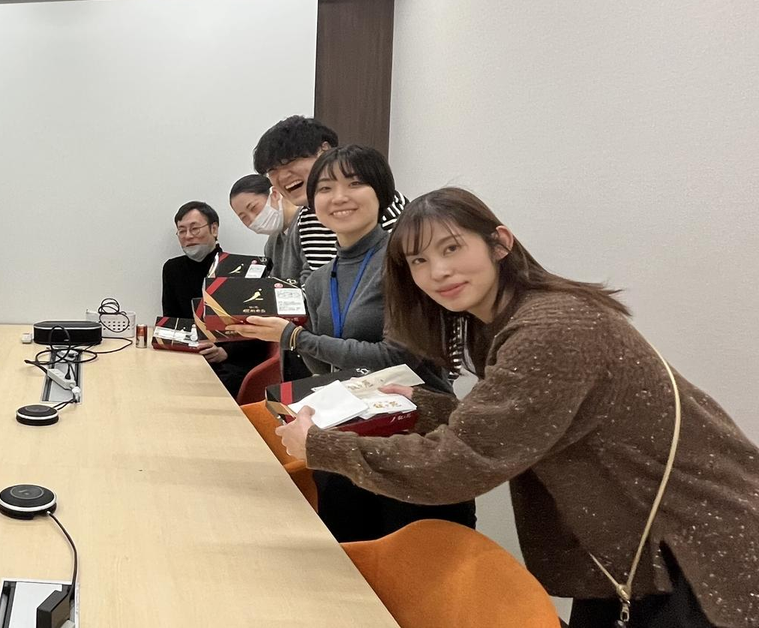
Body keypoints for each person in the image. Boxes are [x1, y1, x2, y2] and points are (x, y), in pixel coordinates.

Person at [276, 187, 759, 628]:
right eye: (419, 260)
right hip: (638, 551)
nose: (438, 271)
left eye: (452, 248)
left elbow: (459, 463)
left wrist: (320, 447)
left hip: (694, 549)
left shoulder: (549, 328)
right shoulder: (504, 319)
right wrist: (423, 406)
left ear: (500, 243)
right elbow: (522, 420)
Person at [234, 146, 473, 541]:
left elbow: (396, 359)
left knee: (419, 561)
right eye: (326, 188)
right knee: (348, 557)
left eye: (355, 183)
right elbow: (326, 370)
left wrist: (294, 337)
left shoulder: (406, 263)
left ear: (381, 193)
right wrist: (293, 337)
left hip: (414, 440)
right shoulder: (319, 279)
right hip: (348, 439)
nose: (339, 197)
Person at [251, 116, 407, 284]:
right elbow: (319, 286)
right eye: (272, 170)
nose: (283, 176)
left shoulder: (382, 209)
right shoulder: (306, 219)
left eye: (291, 162)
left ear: (324, 150)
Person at [160, 200, 268, 397]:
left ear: (214, 229)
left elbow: (259, 328)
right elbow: (172, 319)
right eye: (182, 231)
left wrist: (223, 352)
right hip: (188, 355)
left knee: (216, 386)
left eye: (195, 228)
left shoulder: (244, 268)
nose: (188, 236)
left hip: (232, 359)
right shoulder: (172, 269)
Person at [227, 174, 296, 279]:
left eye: (253, 207)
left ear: (275, 194)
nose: (252, 218)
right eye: (244, 217)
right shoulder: (272, 243)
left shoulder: (308, 223)